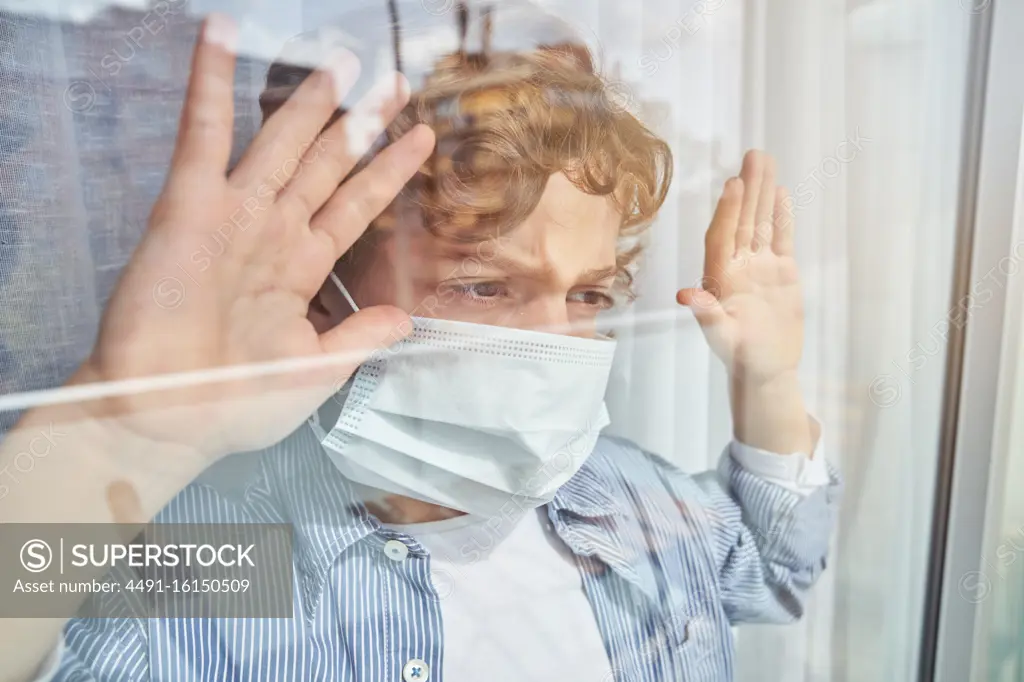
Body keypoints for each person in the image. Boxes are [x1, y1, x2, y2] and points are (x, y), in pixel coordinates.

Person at [0, 3, 840, 681]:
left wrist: (767, 382)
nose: (557, 344)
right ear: (325, 291)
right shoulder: (235, 563)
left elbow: (771, 568)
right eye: (483, 286)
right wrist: (121, 432)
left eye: (588, 295)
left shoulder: (617, 496)